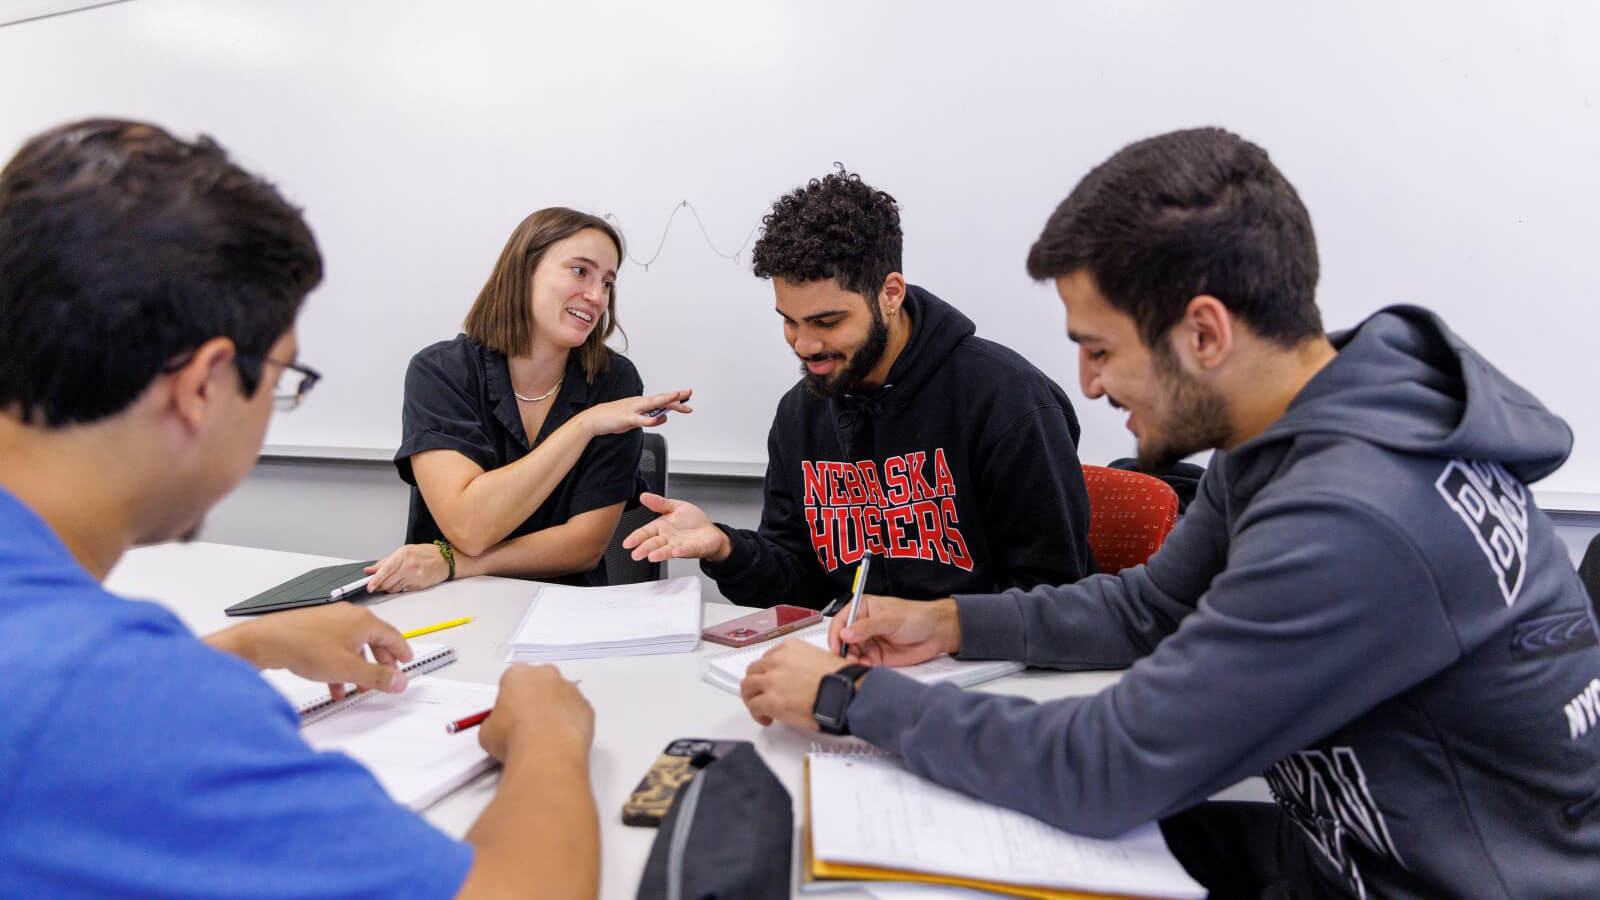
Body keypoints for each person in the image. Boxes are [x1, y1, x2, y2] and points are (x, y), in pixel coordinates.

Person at [737, 129, 1600, 898]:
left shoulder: (1360, 515)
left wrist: (854, 698)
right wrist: (951, 619)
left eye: (1101, 348)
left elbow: (1111, 767)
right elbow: (1148, 607)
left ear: (1205, 334)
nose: (1088, 386)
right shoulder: (1292, 433)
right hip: (1343, 849)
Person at [0, 119, 598, 897]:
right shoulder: (112, 694)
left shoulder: (70, 674)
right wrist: (552, 735)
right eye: (285, 377)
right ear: (206, 384)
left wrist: (241, 648)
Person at [624, 168, 1095, 609]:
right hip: (858, 665)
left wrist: (932, 634)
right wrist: (726, 547)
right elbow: (801, 583)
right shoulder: (801, 413)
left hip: (978, 677)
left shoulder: (1009, 402)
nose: (805, 345)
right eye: (789, 322)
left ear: (890, 293)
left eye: (827, 322)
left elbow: (1049, 597)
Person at [364, 208, 692, 594]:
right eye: (580, 271)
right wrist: (583, 426)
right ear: (524, 270)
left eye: (607, 282)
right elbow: (470, 527)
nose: (596, 296)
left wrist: (456, 563)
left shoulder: (614, 381)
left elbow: (584, 547)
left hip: (568, 608)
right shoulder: (441, 372)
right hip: (451, 606)